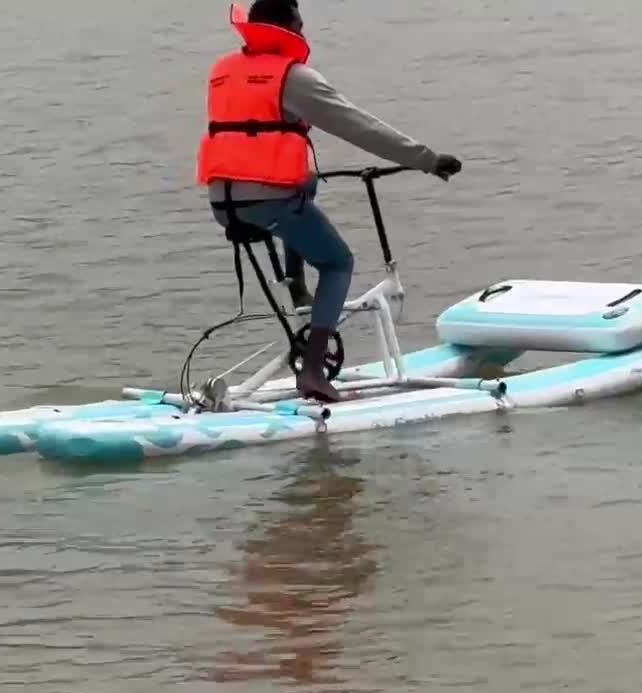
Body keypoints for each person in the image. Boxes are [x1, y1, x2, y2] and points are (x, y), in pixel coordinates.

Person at [196, 0, 462, 403]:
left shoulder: (223, 70)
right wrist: (426, 160)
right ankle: (315, 371)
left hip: (224, 201)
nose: (303, 35)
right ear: (285, 28)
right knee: (339, 263)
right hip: (270, 202)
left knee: (307, 181)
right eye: (299, 26)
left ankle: (299, 289)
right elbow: (360, 126)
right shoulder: (294, 77)